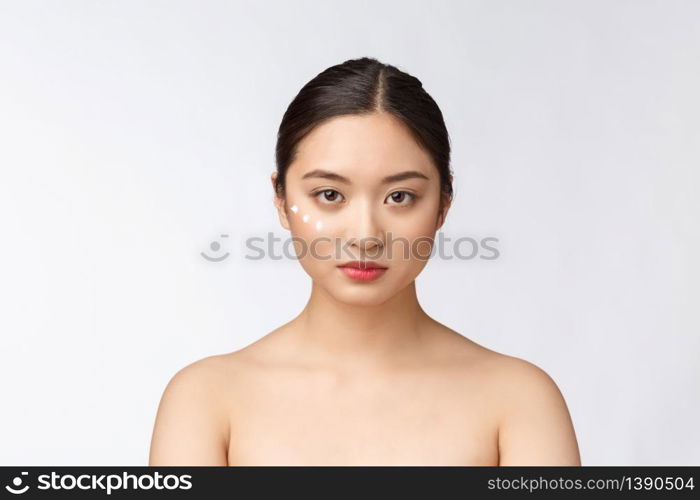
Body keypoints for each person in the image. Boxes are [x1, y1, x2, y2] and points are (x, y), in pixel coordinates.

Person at [149, 56, 581, 466]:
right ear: (281, 199)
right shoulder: (207, 400)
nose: (365, 236)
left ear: (443, 204)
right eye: (330, 195)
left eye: (400, 197)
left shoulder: (518, 400)